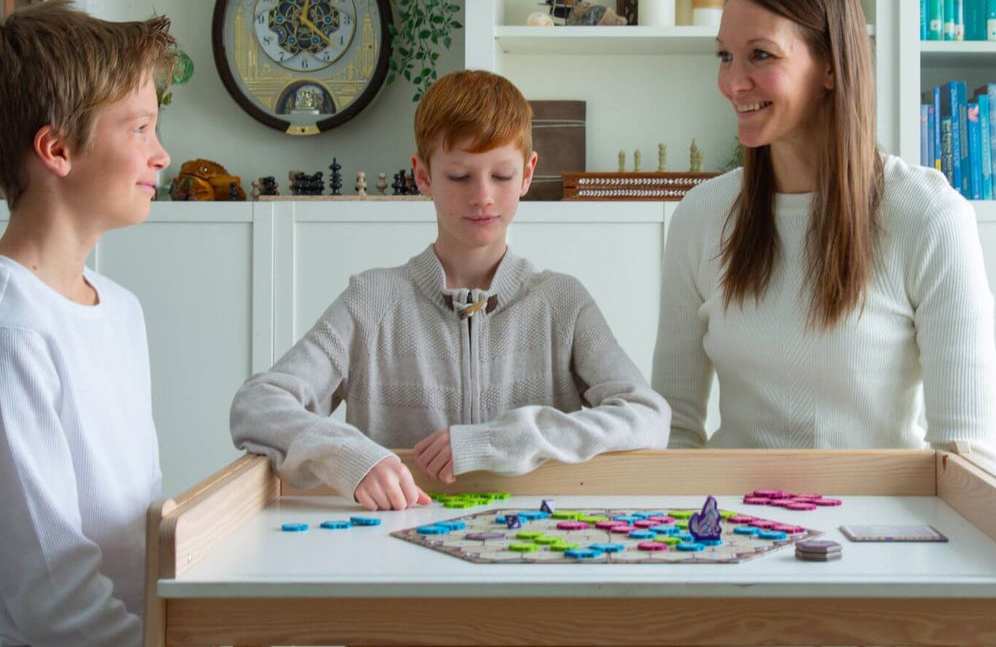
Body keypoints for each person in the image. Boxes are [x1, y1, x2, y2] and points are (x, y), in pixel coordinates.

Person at [231, 69, 671, 510]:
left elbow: (649, 418)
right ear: (422, 175)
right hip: (394, 548)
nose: (482, 196)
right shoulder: (372, 300)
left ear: (527, 174)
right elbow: (258, 404)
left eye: (501, 175)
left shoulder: (563, 303)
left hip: (531, 548)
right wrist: (347, 454)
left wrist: (507, 439)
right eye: (459, 176)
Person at [652, 0, 996, 468]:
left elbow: (966, 454)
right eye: (725, 56)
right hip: (733, 528)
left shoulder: (928, 215)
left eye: (761, 55)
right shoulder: (701, 217)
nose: (732, 83)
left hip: (883, 533)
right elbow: (674, 433)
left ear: (832, 67)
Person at [0, 0, 176, 645]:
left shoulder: (119, 308)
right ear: (57, 148)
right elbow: (54, 599)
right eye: (140, 128)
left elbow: (137, 526)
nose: (163, 154)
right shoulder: (3, 335)